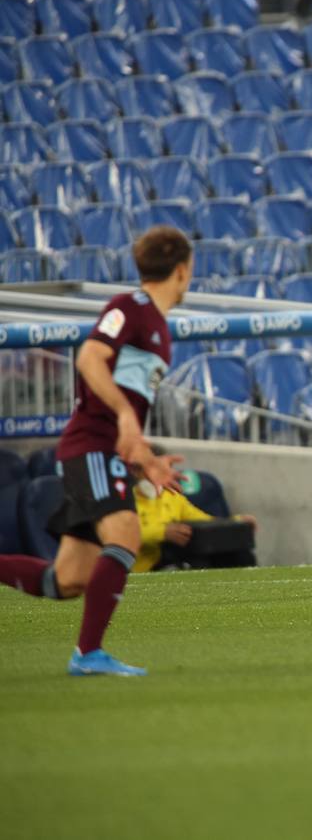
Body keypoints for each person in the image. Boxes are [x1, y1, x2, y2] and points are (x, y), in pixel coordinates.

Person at [0, 226, 191, 676]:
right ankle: (88, 654)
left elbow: (121, 396)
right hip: (92, 446)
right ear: (183, 271)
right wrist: (126, 419)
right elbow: (89, 357)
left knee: (66, 580)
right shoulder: (132, 308)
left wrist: (144, 461)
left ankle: (88, 653)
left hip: (106, 452)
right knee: (124, 535)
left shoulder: (157, 327)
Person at [133, 476, 257, 572]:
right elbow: (119, 533)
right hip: (137, 567)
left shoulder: (173, 497)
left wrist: (237, 521)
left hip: (168, 559)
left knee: (240, 556)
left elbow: (204, 521)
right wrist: (163, 532)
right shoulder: (124, 498)